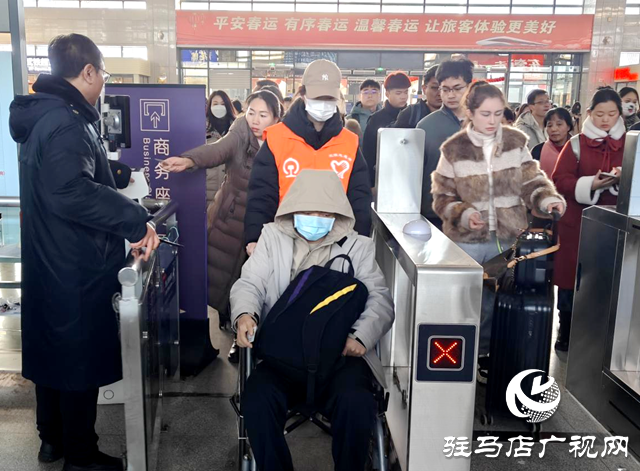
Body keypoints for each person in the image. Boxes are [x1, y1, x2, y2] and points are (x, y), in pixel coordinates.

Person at [9, 33, 159, 471]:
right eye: (104, 74)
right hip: (74, 262)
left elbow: (66, 174)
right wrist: (135, 219)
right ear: (88, 72)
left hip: (48, 255)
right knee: (76, 356)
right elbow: (70, 190)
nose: (104, 83)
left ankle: (51, 440)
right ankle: (80, 454)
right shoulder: (67, 121)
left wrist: (112, 172)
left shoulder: (47, 114)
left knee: (53, 352)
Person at [232, 170, 394, 471]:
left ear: (337, 214)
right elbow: (250, 283)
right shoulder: (272, 238)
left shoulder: (357, 246)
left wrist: (361, 336)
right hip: (284, 356)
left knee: (357, 403)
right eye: (308, 211)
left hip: (339, 357)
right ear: (293, 209)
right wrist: (244, 314)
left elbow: (380, 299)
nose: (316, 219)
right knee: (257, 399)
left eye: (325, 213)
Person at [431, 81, 565, 366]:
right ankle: (460, 362)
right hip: (466, 243)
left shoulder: (515, 143)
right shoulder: (454, 149)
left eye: (497, 113)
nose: (492, 121)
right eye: (485, 114)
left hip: (507, 241)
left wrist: (546, 200)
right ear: (470, 113)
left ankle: (487, 357)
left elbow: (533, 181)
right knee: (463, 304)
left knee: (498, 305)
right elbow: (442, 197)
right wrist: (464, 213)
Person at [161, 89, 282, 361]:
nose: (255, 120)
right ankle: (235, 335)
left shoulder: (284, 141)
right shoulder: (240, 131)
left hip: (267, 226)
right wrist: (190, 159)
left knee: (261, 283)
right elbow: (218, 150)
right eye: (251, 112)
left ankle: (255, 338)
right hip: (230, 220)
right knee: (226, 282)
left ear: (276, 118)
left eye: (263, 115)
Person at [244, 59, 372, 256]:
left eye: (329, 98)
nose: (323, 104)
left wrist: (359, 241)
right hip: (283, 243)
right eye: (317, 97)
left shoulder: (349, 143)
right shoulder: (278, 138)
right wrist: (254, 236)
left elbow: (359, 198)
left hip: (336, 246)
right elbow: (261, 193)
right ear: (303, 94)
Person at [552, 87, 626, 352]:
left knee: (609, 279)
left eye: (611, 114)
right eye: (600, 114)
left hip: (616, 222)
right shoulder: (576, 143)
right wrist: (590, 184)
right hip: (578, 223)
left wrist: (623, 177)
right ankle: (566, 329)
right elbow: (559, 180)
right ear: (589, 113)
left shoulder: (630, 142)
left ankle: (600, 334)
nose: (605, 119)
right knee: (572, 279)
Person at [417, 59, 474, 229]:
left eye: (457, 88)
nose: (451, 95)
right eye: (445, 89)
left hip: (476, 217)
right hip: (434, 216)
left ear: (469, 87)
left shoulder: (484, 123)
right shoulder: (426, 127)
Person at [362, 72, 411, 186]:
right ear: (387, 94)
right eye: (398, 93)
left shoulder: (413, 115)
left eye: (406, 92)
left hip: (409, 177)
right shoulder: (376, 119)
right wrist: (371, 184)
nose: (403, 96)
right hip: (382, 178)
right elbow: (368, 155)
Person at [204, 91, 237, 205]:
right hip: (208, 188)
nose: (219, 107)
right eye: (215, 104)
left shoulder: (237, 128)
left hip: (231, 190)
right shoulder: (201, 129)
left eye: (222, 104)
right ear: (210, 106)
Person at [394, 64, 441, 128]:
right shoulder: (410, 114)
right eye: (435, 87)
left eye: (445, 89)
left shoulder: (454, 115)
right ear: (424, 89)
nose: (440, 93)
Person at [531, 108, 573, 174]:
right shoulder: (537, 151)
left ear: (568, 127)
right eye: (550, 125)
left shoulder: (579, 149)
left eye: (559, 124)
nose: (553, 129)